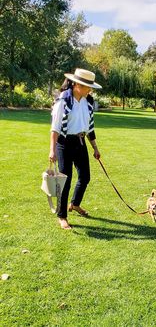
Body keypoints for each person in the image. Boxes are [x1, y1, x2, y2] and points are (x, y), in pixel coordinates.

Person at [49, 68, 102, 229]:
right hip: (64, 143)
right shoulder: (63, 101)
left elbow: (90, 128)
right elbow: (55, 128)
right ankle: (62, 216)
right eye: (87, 86)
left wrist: (95, 148)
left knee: (85, 177)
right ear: (77, 84)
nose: (90, 89)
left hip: (80, 142)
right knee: (65, 181)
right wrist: (52, 150)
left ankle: (75, 204)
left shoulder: (88, 102)